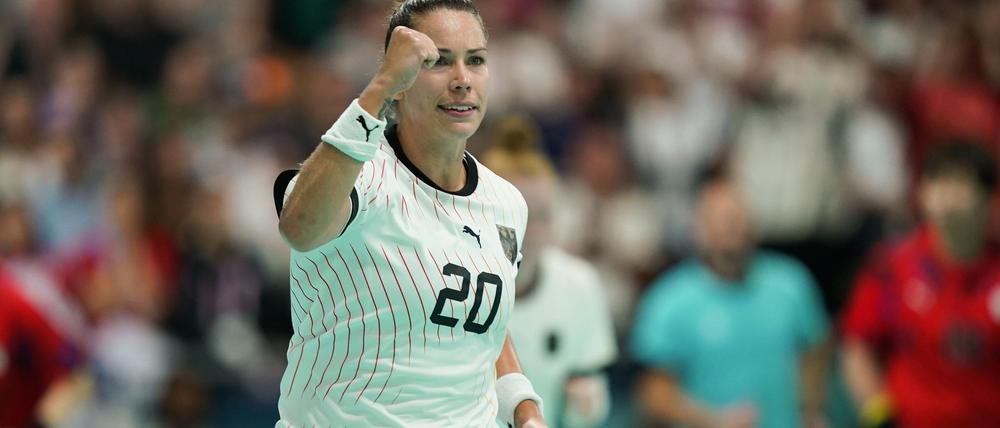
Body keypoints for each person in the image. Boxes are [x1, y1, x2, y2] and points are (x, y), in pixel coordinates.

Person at [273, 1, 545, 426]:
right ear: (400, 78)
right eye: (437, 62)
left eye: (475, 61)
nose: (462, 81)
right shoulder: (356, 174)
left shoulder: (507, 202)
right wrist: (377, 89)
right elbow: (299, 227)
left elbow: (484, 328)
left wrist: (525, 410)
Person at [630, 166, 830, 428]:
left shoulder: (791, 283)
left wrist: (811, 410)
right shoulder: (669, 301)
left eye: (736, 218)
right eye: (719, 221)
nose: (729, 229)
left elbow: (816, 348)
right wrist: (713, 421)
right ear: (697, 229)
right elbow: (653, 394)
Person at [840, 142, 1000, 427]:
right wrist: (879, 414)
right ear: (922, 194)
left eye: (961, 184)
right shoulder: (892, 267)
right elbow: (857, 347)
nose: (947, 197)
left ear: (988, 200)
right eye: (937, 182)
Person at [482, 117, 618, 428]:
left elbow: (590, 403)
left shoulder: (580, 283)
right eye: (517, 215)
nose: (531, 230)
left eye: (542, 215)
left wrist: (588, 400)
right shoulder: (456, 282)